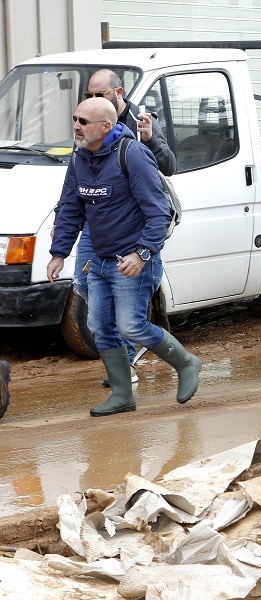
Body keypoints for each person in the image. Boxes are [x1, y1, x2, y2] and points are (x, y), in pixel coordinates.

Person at [48, 98, 201, 417]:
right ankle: (122, 395)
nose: (76, 126)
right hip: (101, 260)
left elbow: (158, 213)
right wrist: (59, 253)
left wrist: (142, 252)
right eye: (74, 119)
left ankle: (186, 362)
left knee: (131, 325)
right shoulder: (79, 160)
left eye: (83, 121)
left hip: (134, 259)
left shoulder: (132, 154)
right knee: (100, 326)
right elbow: (71, 209)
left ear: (106, 126)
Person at [69, 69, 177, 386]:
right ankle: (121, 357)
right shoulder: (86, 121)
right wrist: (65, 217)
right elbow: (77, 174)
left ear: (119, 93)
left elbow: (169, 167)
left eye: (99, 95)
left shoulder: (143, 122)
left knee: (126, 301)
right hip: (95, 223)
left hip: (131, 225)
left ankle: (127, 362)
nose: (92, 100)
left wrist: (151, 139)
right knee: (86, 286)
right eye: (89, 95)